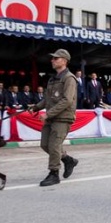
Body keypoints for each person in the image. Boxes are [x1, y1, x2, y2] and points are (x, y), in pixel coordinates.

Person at [30, 49, 79, 187]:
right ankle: (68, 159)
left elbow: (67, 100)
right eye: (52, 58)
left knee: (54, 145)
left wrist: (48, 114)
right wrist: (36, 107)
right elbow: (48, 99)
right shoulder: (53, 79)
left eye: (56, 58)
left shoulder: (69, 78)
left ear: (64, 61)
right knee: (45, 145)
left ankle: (54, 173)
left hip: (63, 117)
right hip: (52, 117)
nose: (52, 60)